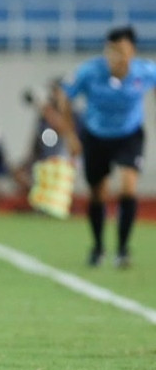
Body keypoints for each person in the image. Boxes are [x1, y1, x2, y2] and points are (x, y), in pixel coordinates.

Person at [60, 26, 156, 268]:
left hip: (129, 135)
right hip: (95, 136)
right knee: (97, 193)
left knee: (128, 187)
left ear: (132, 51)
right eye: (111, 51)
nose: (116, 57)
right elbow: (64, 97)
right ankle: (98, 247)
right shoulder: (90, 71)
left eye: (121, 51)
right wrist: (71, 136)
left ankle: (123, 249)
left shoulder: (145, 71)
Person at [14, 78, 76, 218]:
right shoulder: (44, 116)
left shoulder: (67, 112)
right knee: (39, 197)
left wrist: (46, 107)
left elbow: (63, 129)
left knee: (55, 206)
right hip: (43, 161)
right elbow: (36, 141)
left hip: (60, 162)